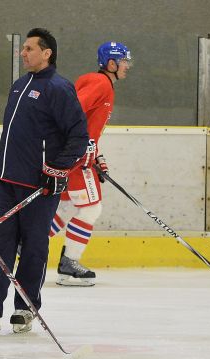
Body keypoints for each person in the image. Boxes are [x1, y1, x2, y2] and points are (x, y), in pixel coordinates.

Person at [0, 28, 89, 333]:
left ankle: (26, 308)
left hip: (39, 187)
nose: (23, 52)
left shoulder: (59, 88)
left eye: (30, 48)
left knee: (34, 247)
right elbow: (15, 135)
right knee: (0, 243)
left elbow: (78, 136)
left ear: (47, 53)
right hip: (9, 182)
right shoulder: (19, 86)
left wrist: (57, 171)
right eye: (24, 48)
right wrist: (0, 167)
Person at [50, 41, 132, 287]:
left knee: (67, 207)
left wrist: (95, 152)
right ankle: (69, 263)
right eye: (124, 62)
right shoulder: (100, 83)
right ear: (111, 63)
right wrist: (82, 146)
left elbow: (83, 122)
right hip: (75, 159)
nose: (127, 66)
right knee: (90, 208)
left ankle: (28, 242)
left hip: (76, 155)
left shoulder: (99, 83)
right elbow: (70, 112)